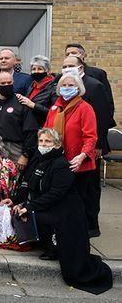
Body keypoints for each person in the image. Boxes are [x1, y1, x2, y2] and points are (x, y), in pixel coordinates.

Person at [6, 128, 112, 295]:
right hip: (50, 206)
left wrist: (29, 207)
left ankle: (54, 249)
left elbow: (55, 194)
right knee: (22, 215)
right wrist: (15, 200)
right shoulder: (38, 160)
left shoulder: (60, 164)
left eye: (48, 142)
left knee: (35, 217)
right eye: (41, 141)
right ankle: (45, 244)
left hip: (66, 211)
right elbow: (27, 186)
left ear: (57, 144)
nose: (43, 145)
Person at [60, 55, 110, 237]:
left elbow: (103, 117)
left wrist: (97, 146)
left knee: (88, 191)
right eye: (64, 66)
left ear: (81, 67)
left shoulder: (94, 86)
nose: (67, 69)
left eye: (71, 66)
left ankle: (90, 226)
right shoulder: (59, 100)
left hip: (86, 152)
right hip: (66, 155)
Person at [44, 73, 99, 237]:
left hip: (77, 165)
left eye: (71, 85)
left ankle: (74, 237)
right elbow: (46, 132)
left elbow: (90, 136)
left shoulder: (85, 108)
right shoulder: (55, 108)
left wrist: (82, 156)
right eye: (64, 86)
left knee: (74, 204)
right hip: (57, 163)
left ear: (79, 88)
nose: (67, 89)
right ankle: (58, 237)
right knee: (57, 202)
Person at [0, 71, 38, 168]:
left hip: (14, 150)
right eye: (3, 83)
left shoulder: (22, 104)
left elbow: (30, 131)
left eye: (9, 83)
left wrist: (25, 155)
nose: (6, 85)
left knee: (13, 180)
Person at [65, 43, 114, 127]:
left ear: (83, 55)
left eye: (73, 53)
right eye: (67, 54)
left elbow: (107, 101)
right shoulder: (64, 76)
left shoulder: (97, 74)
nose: (70, 56)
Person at [16, 55, 57, 126]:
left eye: (40, 69)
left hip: (43, 127)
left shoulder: (54, 88)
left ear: (47, 71)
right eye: (33, 69)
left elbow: (54, 112)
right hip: (30, 125)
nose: (36, 71)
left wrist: (34, 105)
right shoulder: (32, 85)